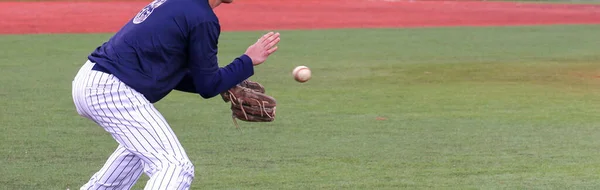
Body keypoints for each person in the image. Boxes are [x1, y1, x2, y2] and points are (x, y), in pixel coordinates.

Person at [71, 0, 281, 189]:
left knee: (137, 150)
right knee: (175, 166)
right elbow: (208, 85)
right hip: (111, 88)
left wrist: (225, 84)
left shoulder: (178, 4)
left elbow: (182, 74)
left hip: (94, 80)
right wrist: (247, 60)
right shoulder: (203, 18)